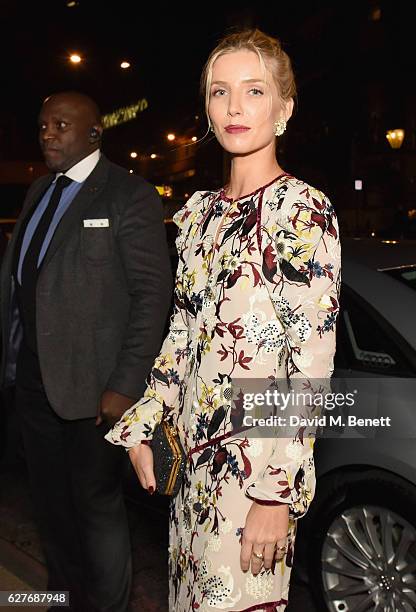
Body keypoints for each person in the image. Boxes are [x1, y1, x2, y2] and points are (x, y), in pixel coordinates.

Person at [107, 29, 341, 611]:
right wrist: (145, 420)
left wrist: (276, 495)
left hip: (255, 473)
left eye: (254, 90)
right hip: (193, 471)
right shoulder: (197, 215)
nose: (235, 107)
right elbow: (183, 332)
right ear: (207, 107)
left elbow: (310, 365)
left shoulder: (303, 210)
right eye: (219, 91)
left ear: (284, 108)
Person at [0, 91, 173, 611]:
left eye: (60, 124)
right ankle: (62, 602)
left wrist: (125, 384)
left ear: (94, 133)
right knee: (52, 514)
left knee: (97, 516)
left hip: (97, 394)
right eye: (42, 124)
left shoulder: (128, 194)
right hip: (33, 386)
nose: (47, 133)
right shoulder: (37, 192)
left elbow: (152, 295)